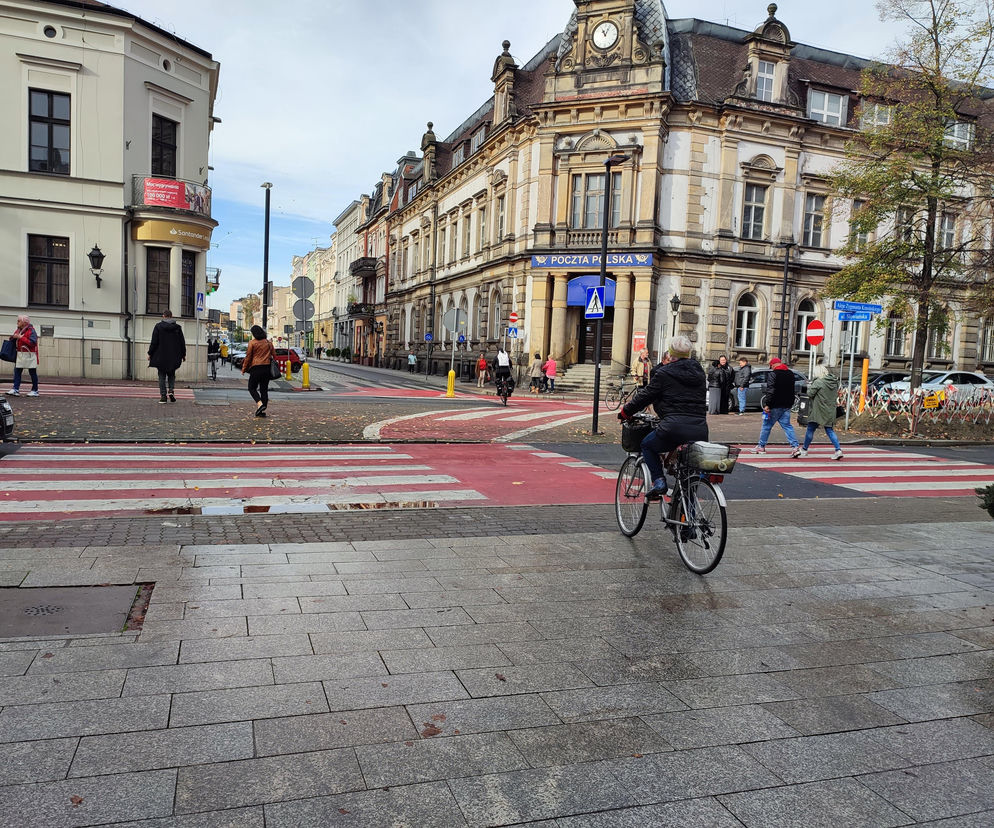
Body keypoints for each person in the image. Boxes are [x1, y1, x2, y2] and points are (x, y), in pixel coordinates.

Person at [618, 335, 708, 499]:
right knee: (689, 481)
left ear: (671, 354)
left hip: (673, 427)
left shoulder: (664, 373)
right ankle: (689, 514)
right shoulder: (700, 373)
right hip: (699, 429)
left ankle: (659, 481)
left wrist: (625, 412)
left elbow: (644, 396)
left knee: (647, 445)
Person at [755, 357, 802, 456]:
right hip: (787, 404)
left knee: (766, 426)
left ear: (773, 365)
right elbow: (792, 389)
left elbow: (770, 390)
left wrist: (767, 404)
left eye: (771, 366)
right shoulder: (790, 373)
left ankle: (761, 446)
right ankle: (795, 447)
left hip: (775, 404)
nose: (771, 368)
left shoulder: (773, 374)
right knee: (787, 426)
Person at [800, 364, 844, 460]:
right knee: (829, 430)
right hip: (830, 410)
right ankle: (838, 450)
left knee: (810, 429)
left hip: (818, 410)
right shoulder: (834, 382)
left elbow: (810, 394)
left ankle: (804, 449)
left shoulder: (818, 382)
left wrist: (810, 385)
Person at [148, 310, 186, 404]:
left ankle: (163, 397)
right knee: (171, 374)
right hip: (173, 356)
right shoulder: (177, 328)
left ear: (163, 316)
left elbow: (154, 342)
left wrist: (150, 353)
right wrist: (183, 354)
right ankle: (171, 390)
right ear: (171, 316)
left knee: (161, 376)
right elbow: (182, 342)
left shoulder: (158, 327)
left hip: (161, 356)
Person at [241, 325, 276, 417]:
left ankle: (260, 404)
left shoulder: (252, 343)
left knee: (251, 387)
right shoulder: (269, 343)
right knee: (264, 390)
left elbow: (248, 357)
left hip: (256, 368)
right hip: (267, 368)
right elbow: (274, 355)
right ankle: (261, 410)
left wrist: (244, 369)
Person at [8, 315, 39, 396]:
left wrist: (21, 337)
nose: (17, 322)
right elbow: (11, 338)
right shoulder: (19, 330)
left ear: (24, 323)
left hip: (29, 354)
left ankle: (35, 390)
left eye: (19, 321)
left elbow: (33, 342)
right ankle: (15, 389)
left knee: (32, 372)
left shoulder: (31, 330)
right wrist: (13, 337)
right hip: (20, 353)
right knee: (17, 371)